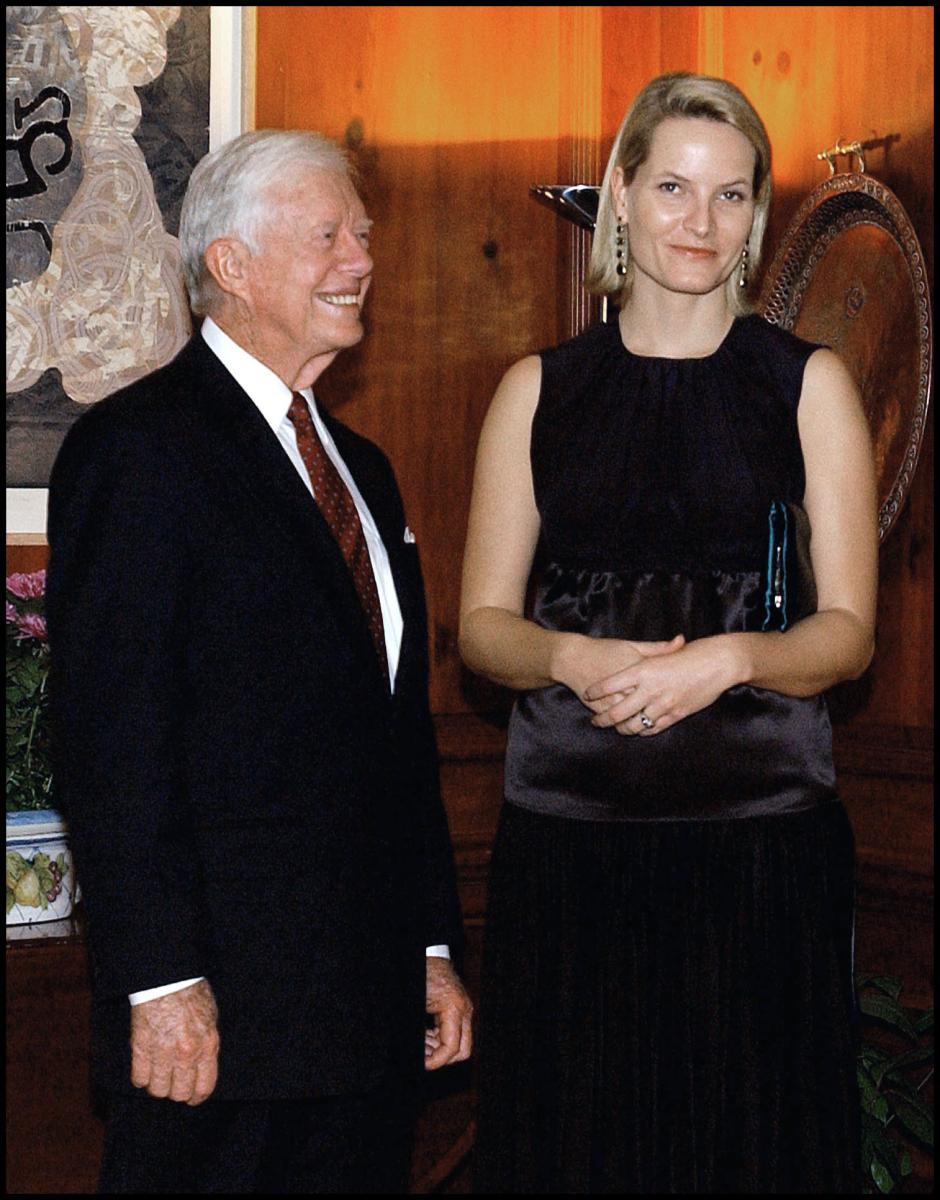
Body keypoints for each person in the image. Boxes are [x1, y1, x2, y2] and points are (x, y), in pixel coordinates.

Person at [460, 72, 876, 1194]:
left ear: (754, 219)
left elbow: (847, 637)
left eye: (731, 195)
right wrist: (567, 654)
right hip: (572, 854)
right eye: (675, 188)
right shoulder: (536, 391)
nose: (699, 221)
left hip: (761, 855)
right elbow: (481, 630)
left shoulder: (807, 387)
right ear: (622, 198)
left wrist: (731, 659)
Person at [45, 129, 472, 1195]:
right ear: (230, 266)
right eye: (326, 235)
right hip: (222, 1033)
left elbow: (396, 737)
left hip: (366, 1028)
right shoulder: (139, 451)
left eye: (362, 235)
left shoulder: (363, 472)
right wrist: (159, 980)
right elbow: (113, 743)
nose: (360, 259)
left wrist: (428, 948)